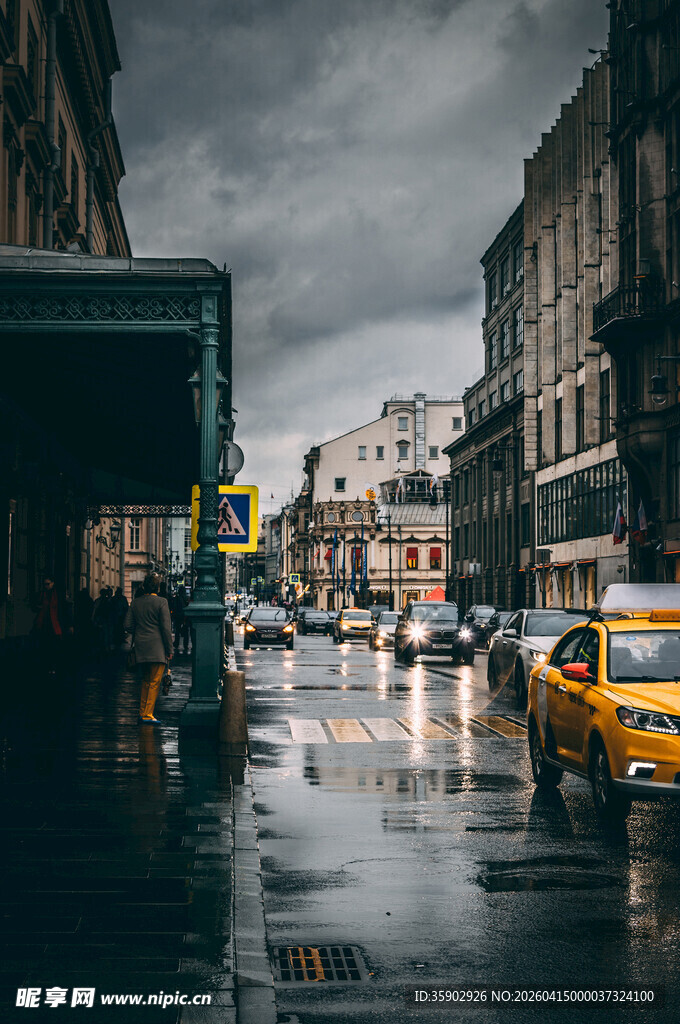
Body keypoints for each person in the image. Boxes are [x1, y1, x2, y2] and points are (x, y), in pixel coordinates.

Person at [124, 573, 173, 724]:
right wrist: (169, 649)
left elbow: (127, 625)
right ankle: (148, 714)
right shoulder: (162, 602)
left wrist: (139, 631)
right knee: (154, 682)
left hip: (140, 647)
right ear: (157, 587)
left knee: (145, 681)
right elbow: (166, 628)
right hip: (158, 648)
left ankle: (142, 711)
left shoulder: (136, 602)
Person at [32, 576, 72, 674]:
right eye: (45, 584)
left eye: (48, 584)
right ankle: (48, 666)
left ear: (52, 583)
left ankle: (54, 666)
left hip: (55, 625)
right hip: (44, 625)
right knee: (45, 647)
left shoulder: (58, 595)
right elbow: (35, 606)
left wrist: (69, 624)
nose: (46, 586)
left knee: (55, 647)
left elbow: (64, 611)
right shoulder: (41, 594)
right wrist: (38, 607)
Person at [172, 587, 190, 654]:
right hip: (185, 617)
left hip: (178, 617)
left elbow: (175, 608)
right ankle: (186, 645)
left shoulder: (177, 598)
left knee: (177, 631)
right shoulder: (186, 599)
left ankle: (176, 643)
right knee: (186, 632)